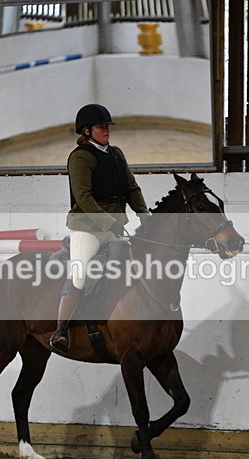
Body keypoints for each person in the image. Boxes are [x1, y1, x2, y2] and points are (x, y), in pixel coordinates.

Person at [49, 103, 150, 353]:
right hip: (88, 228)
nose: (106, 130)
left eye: (107, 126)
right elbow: (83, 197)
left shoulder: (116, 153)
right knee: (80, 272)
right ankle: (61, 330)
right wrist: (109, 222)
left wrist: (145, 216)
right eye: (101, 127)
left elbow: (132, 188)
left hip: (115, 227)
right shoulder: (80, 157)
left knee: (130, 268)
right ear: (86, 131)